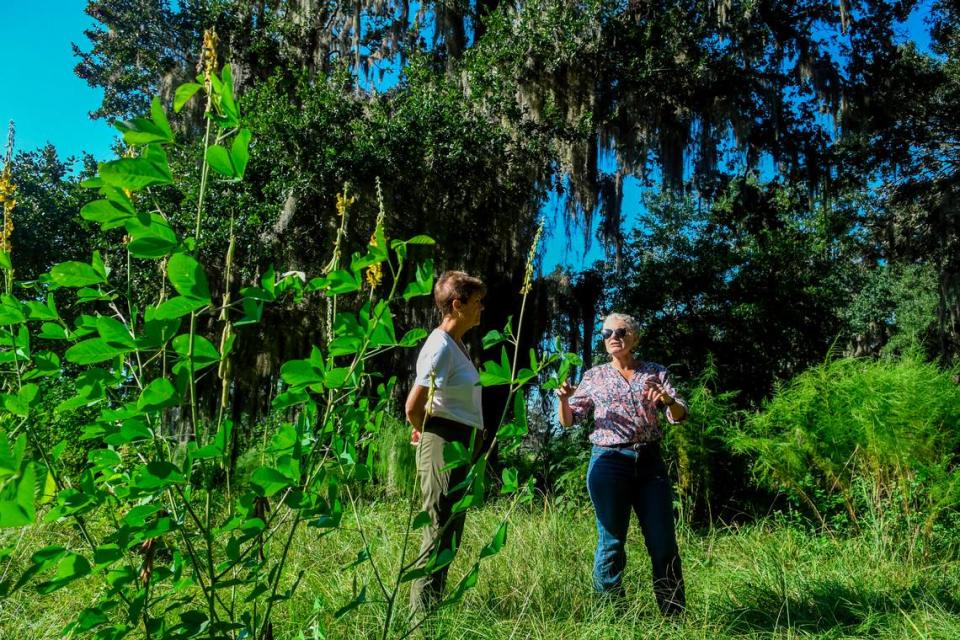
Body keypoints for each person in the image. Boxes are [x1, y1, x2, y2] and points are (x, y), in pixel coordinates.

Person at [556, 312, 687, 615]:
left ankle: (674, 617)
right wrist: (563, 400)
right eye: (606, 333)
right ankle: (611, 617)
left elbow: (679, 416)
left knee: (663, 543)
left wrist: (667, 400)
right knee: (612, 543)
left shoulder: (655, 372)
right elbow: (569, 421)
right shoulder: (593, 376)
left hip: (650, 463)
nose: (613, 337)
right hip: (608, 463)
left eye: (621, 331)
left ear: (635, 337)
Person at [405, 270, 486, 615]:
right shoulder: (439, 346)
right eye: (478, 302)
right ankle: (420, 622)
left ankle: (431, 614)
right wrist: (426, 433)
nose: (482, 308)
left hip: (460, 442)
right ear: (457, 304)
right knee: (438, 531)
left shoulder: (456, 346)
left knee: (449, 534)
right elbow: (412, 406)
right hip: (444, 441)